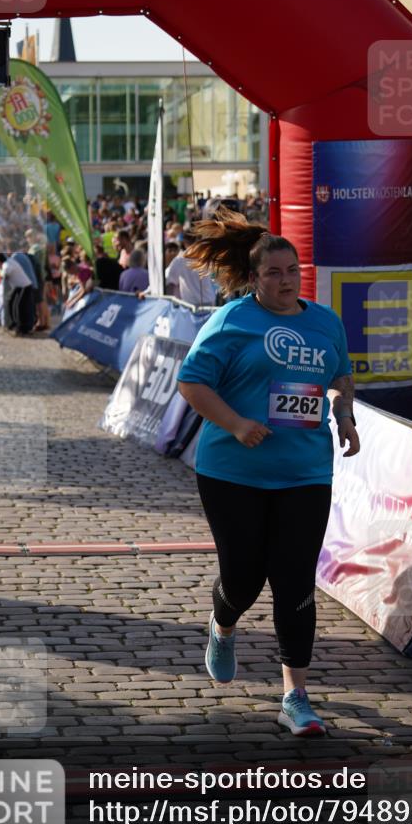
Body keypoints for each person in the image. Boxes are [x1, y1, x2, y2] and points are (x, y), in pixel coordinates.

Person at [177, 209, 359, 737]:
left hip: (305, 473)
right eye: (274, 273)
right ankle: (223, 623)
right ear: (254, 279)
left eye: (292, 271)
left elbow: (340, 376)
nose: (285, 281)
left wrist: (344, 417)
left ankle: (295, 696)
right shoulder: (233, 320)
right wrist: (236, 424)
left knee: (295, 580)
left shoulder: (325, 322)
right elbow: (192, 383)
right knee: (244, 577)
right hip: (233, 472)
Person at [166, 229, 218, 305]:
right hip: (208, 300)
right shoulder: (207, 256)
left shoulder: (179, 260)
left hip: (191, 305)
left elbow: (169, 282)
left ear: (184, 242)